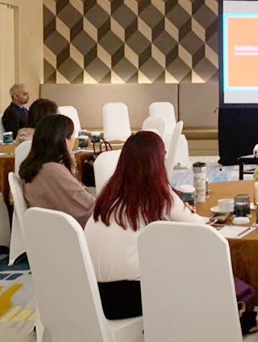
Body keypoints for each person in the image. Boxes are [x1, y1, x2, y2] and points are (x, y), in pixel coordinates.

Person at [84, 131, 204, 320]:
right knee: (193, 268)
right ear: (157, 161)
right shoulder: (158, 195)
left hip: (94, 298)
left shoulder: (109, 196)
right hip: (132, 298)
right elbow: (201, 229)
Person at [19, 114, 95, 227]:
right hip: (67, 231)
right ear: (64, 140)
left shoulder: (37, 166)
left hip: (49, 229)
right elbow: (86, 208)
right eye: (73, 135)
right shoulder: (52, 171)